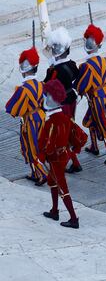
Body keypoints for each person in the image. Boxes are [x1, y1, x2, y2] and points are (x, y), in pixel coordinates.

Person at [37, 80, 87, 228]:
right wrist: (72, 148)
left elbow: (48, 144)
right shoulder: (66, 118)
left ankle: (74, 219)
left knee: (62, 189)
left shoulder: (51, 122)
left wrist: (42, 156)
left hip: (56, 159)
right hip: (64, 155)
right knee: (52, 182)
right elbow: (80, 137)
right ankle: (54, 211)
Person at [77, 23, 106, 164]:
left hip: (96, 98)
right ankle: (94, 146)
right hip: (105, 95)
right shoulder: (105, 61)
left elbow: (82, 86)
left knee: (102, 124)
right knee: (91, 120)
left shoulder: (87, 66)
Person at [5, 45, 48, 185]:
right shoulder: (41, 84)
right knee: (38, 146)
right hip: (41, 117)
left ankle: (42, 174)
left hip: (30, 120)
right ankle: (35, 173)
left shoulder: (23, 89)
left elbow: (12, 109)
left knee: (30, 147)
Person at [42, 27, 81, 173]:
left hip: (62, 103)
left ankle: (70, 163)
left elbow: (47, 86)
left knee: (62, 134)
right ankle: (74, 162)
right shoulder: (71, 65)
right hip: (72, 98)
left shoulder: (54, 71)